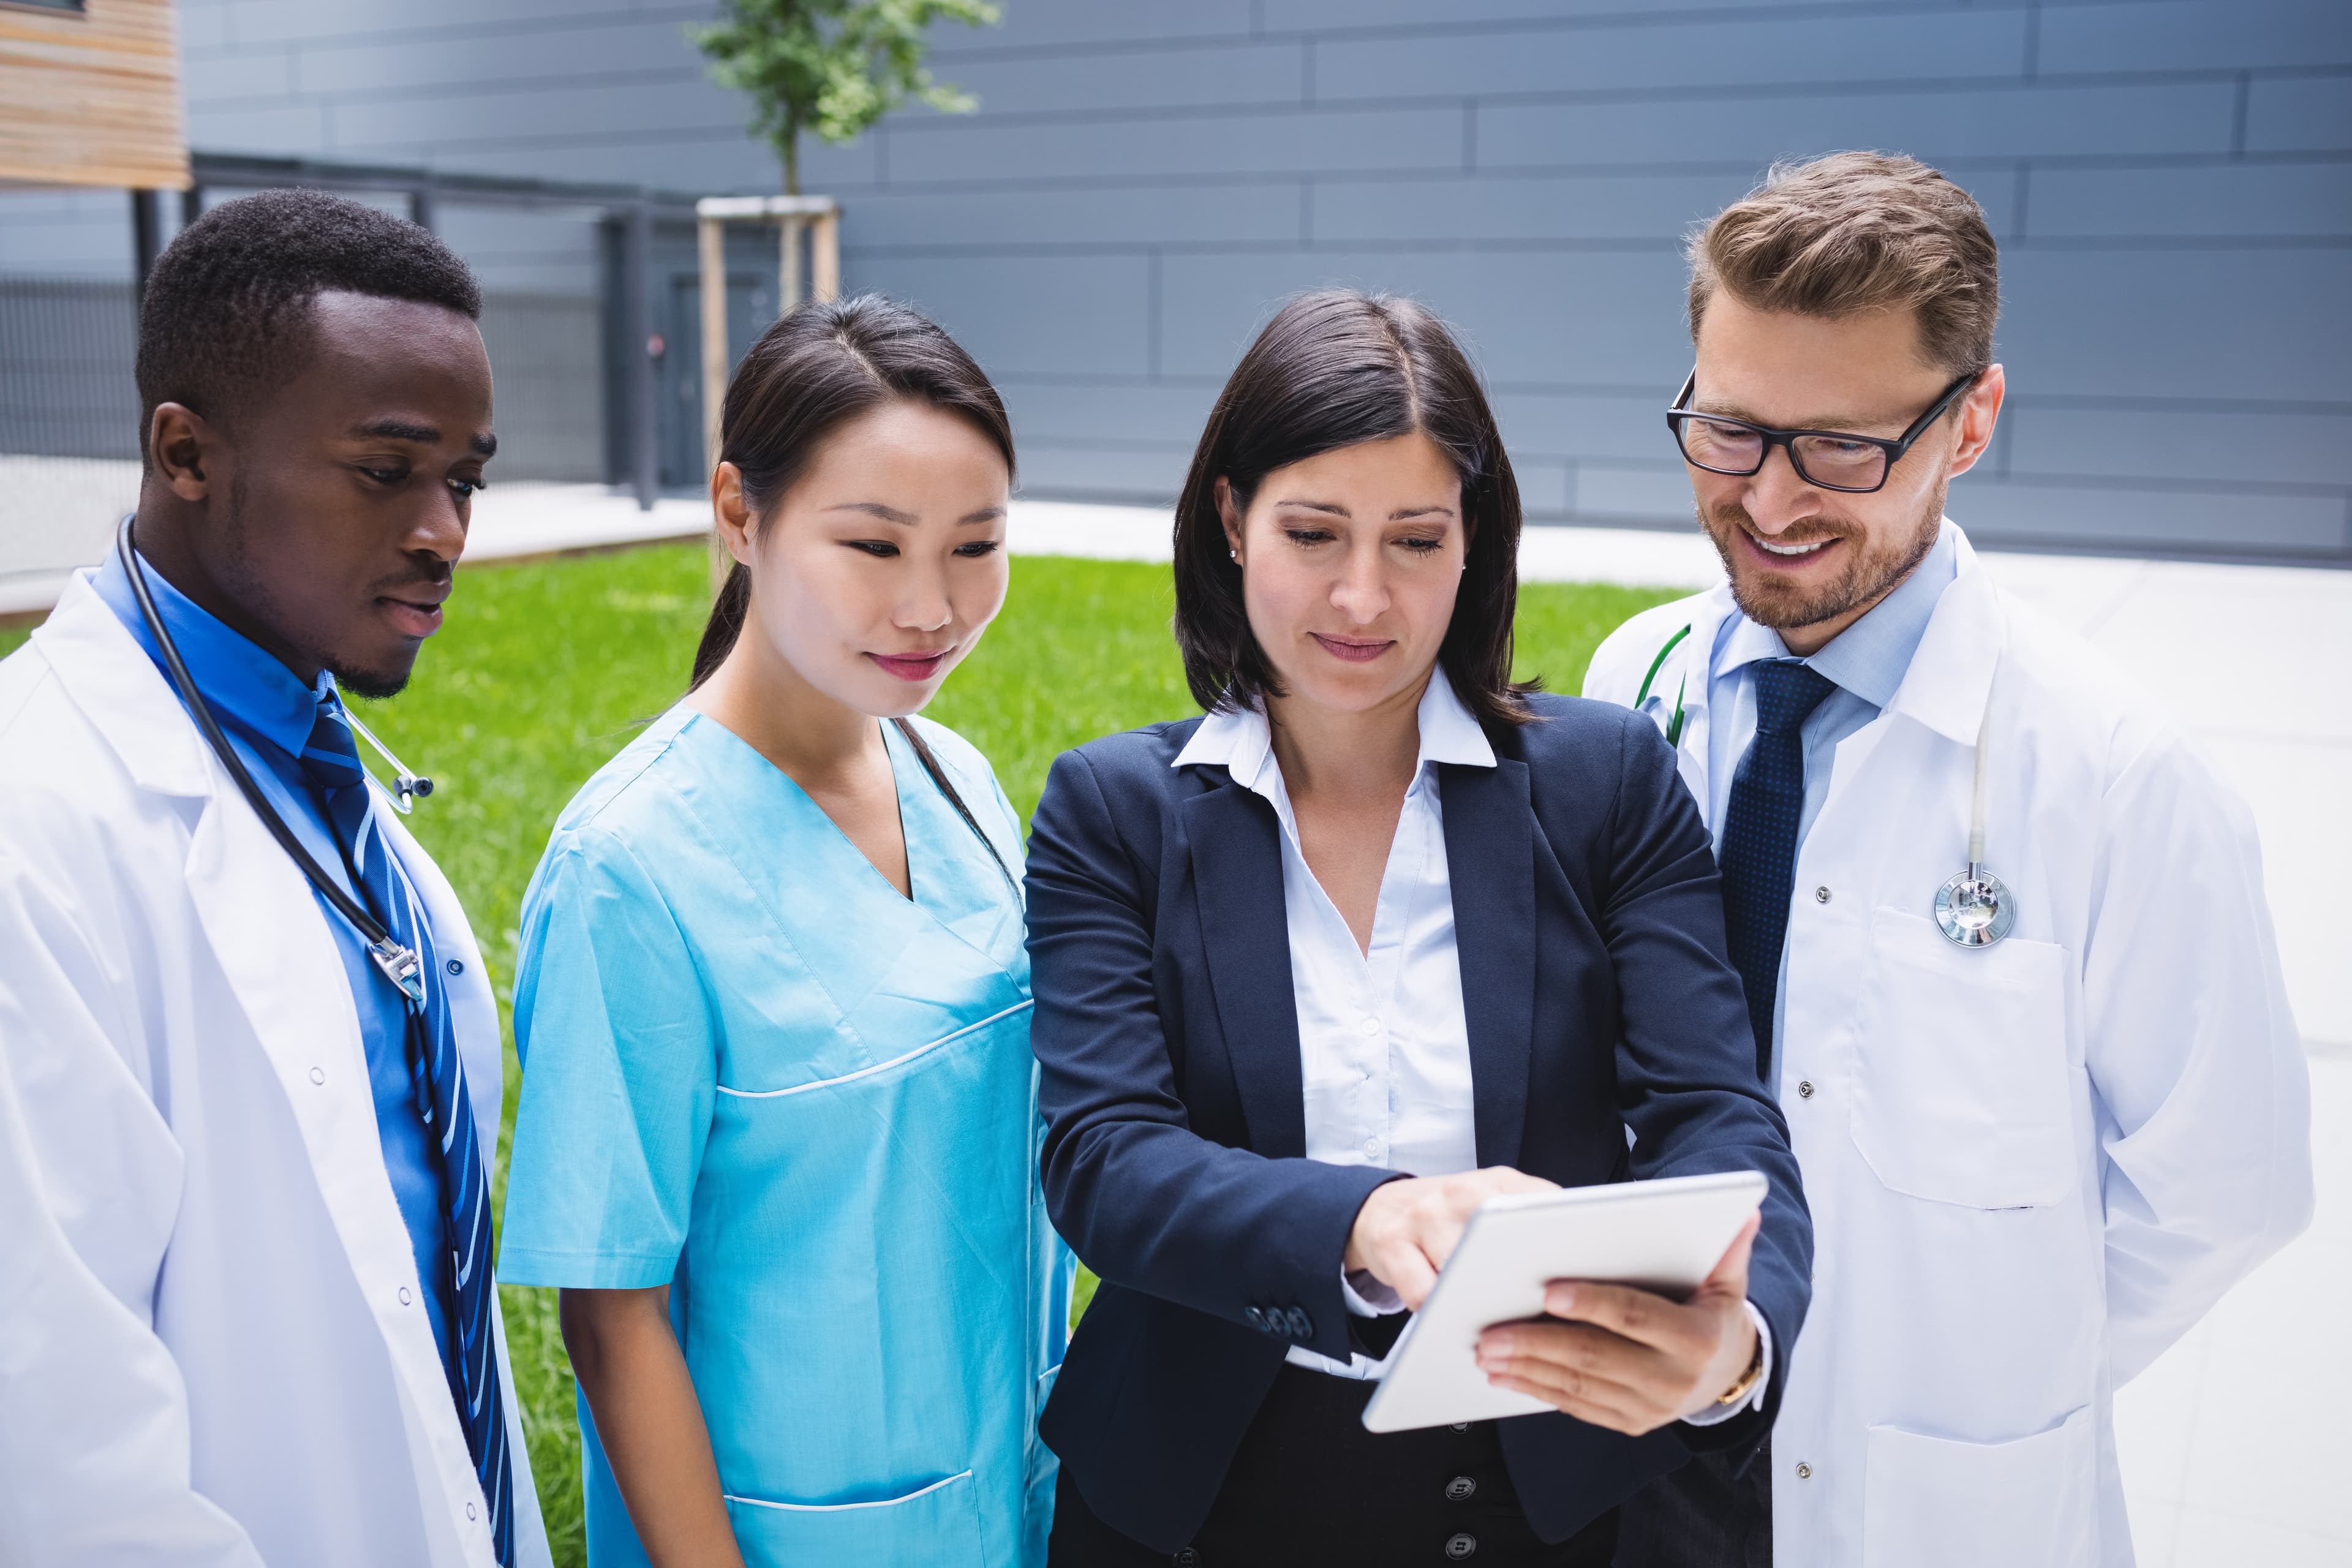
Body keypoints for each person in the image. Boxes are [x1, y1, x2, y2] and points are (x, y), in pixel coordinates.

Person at [1584, 153, 2315, 1568]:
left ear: (1970, 420)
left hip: (1928, 1490)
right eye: (1729, 431)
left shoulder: (2115, 775)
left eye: (1844, 447)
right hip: (1645, 1461)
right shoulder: (1643, 676)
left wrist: (1996, 1360)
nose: (1773, 500)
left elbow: (2229, 1188)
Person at [1025, 290, 1812, 1567]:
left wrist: (1737, 1340)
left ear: (1473, 540)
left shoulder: (1604, 783)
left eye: (1414, 537)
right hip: (1190, 1494)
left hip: (1533, 1483)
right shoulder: (1114, 809)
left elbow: (1717, 1110)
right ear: (1232, 521)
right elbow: (1105, 1159)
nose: (1361, 594)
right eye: (1313, 531)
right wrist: (1364, 1217)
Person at [0, 190, 547, 1564]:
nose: (446, 532)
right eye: (388, 470)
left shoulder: (301, 748)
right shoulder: (36, 827)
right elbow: (53, 1441)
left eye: (465, 479)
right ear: (186, 452)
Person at [495, 295, 1071, 1568]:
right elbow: (612, 1312)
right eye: (873, 545)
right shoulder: (629, 870)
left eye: (977, 544)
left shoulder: (958, 777)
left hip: (1016, 1498)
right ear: (739, 511)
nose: (933, 607)